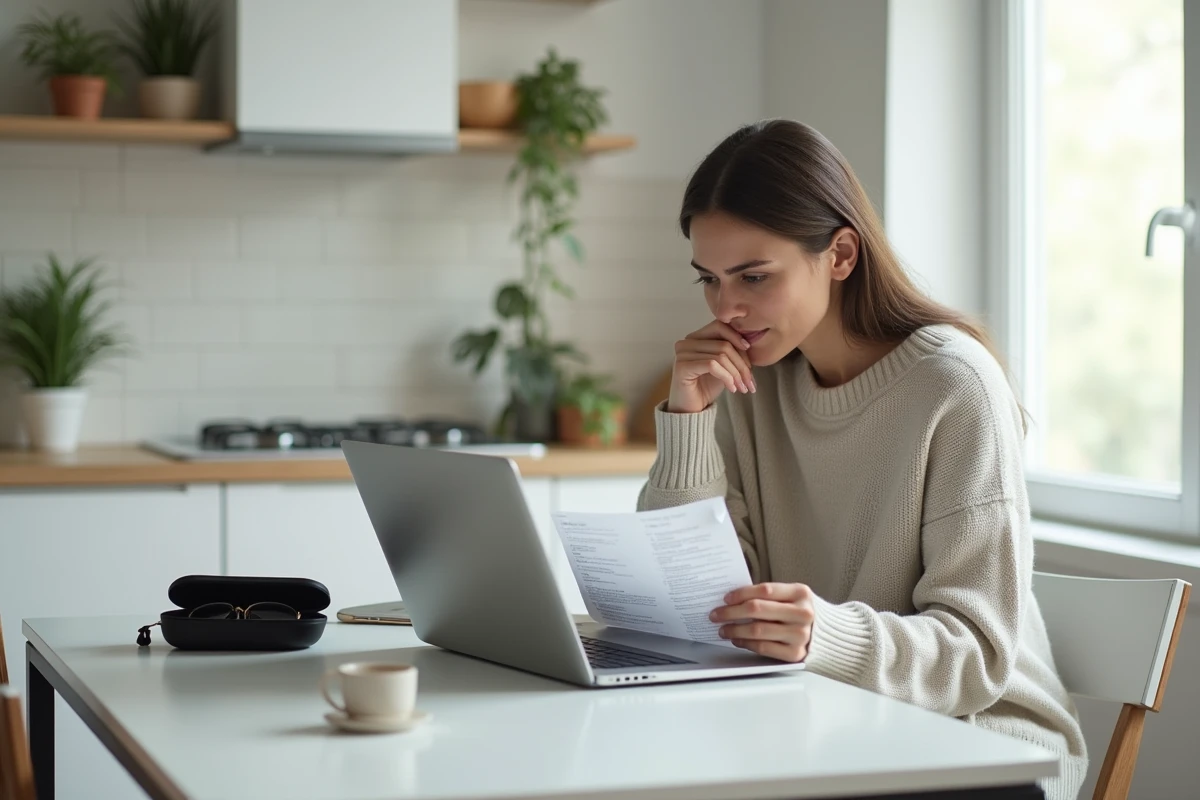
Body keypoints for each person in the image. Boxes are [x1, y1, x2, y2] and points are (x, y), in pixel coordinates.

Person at [637, 119, 1087, 800]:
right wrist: (690, 418)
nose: (726, 309)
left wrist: (825, 635)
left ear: (841, 254)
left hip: (982, 745)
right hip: (827, 727)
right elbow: (697, 606)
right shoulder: (755, 384)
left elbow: (978, 657)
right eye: (710, 280)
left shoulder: (953, 386)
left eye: (754, 277)